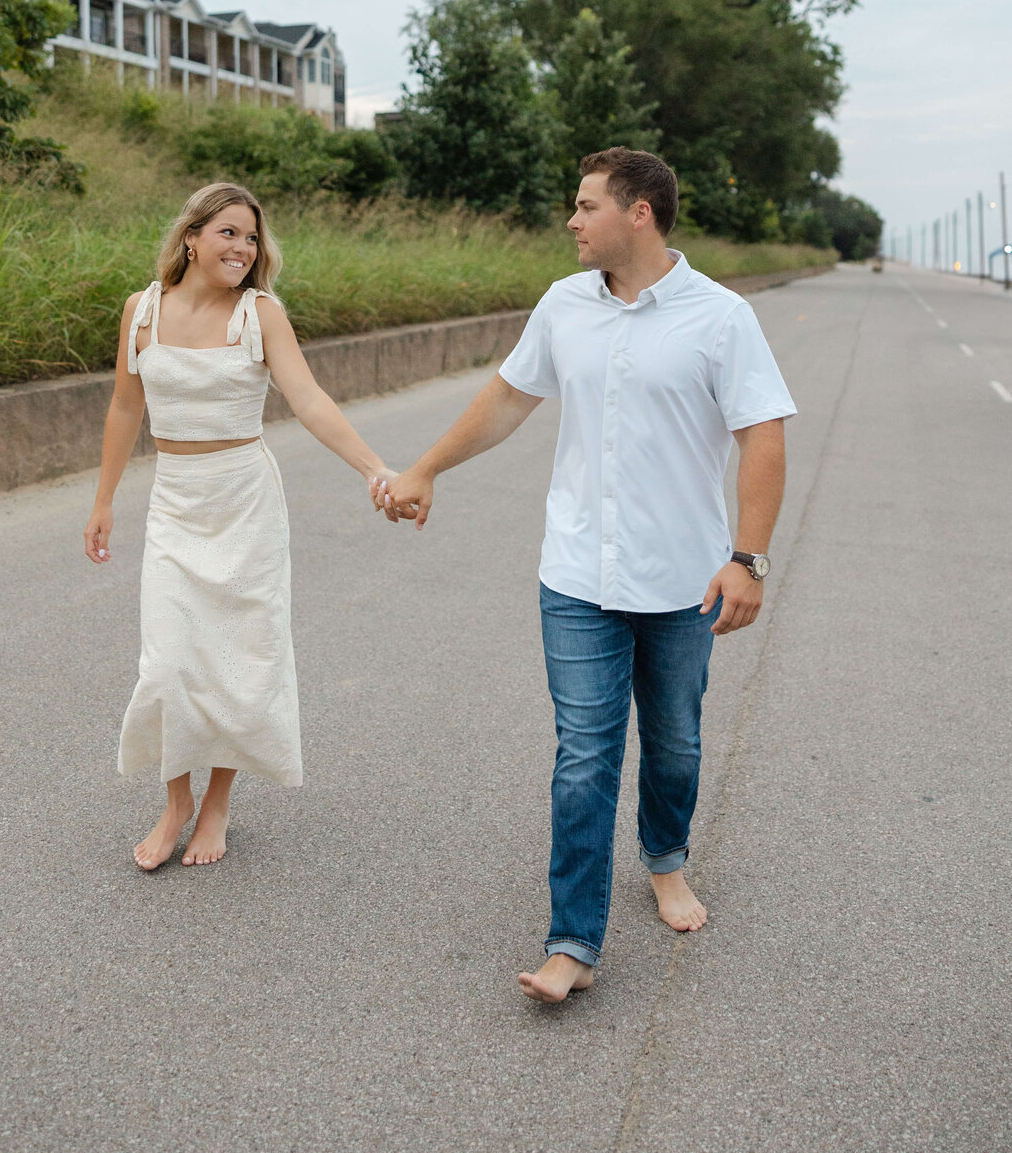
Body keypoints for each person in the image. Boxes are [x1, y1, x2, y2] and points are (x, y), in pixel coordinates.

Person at [375, 147, 795, 1002]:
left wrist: (747, 558)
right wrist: (425, 469)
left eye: (585, 205)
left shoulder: (720, 318)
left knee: (673, 740)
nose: (571, 219)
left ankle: (666, 860)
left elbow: (764, 438)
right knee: (584, 757)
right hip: (576, 575)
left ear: (638, 212)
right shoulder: (564, 305)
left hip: (685, 580)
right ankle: (573, 941)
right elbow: (504, 400)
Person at [85, 181, 396, 872]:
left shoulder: (260, 314)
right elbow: (123, 409)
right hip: (175, 499)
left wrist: (373, 467)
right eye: (227, 232)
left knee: (236, 657)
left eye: (251, 237)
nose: (242, 247)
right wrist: (104, 500)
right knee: (167, 661)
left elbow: (308, 399)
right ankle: (174, 804)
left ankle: (217, 802)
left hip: (244, 500)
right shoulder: (142, 311)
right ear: (190, 237)